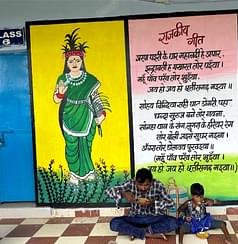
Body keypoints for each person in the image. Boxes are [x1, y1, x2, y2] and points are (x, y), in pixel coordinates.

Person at [53, 28, 110, 185]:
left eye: (77, 60)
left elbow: (95, 96)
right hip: (69, 115)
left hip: (87, 114)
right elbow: (56, 100)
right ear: (66, 63)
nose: (74, 63)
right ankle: (74, 174)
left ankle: (88, 172)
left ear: (82, 61)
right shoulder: (62, 78)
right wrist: (60, 93)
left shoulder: (90, 79)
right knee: (71, 146)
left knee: (86, 145)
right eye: (71, 61)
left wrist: (101, 114)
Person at [105, 168, 177, 241]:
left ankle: (135, 232)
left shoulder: (157, 185)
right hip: (134, 218)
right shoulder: (130, 183)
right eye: (140, 185)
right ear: (135, 181)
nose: (143, 188)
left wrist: (153, 202)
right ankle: (148, 233)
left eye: (146, 185)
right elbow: (108, 191)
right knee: (114, 223)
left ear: (151, 182)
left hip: (153, 218)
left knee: (174, 223)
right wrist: (123, 194)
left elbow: (171, 203)